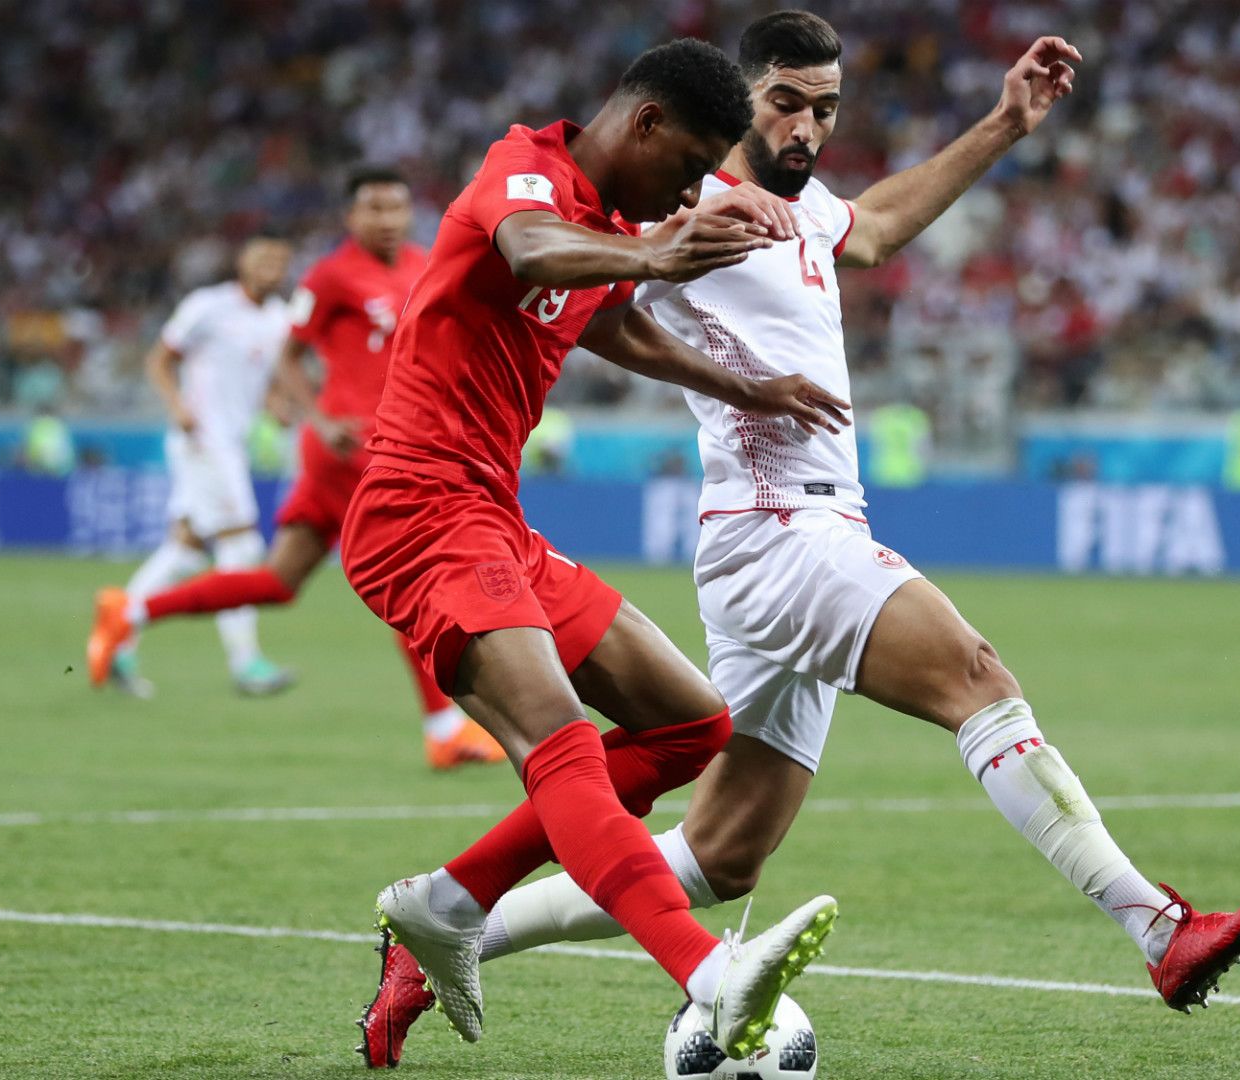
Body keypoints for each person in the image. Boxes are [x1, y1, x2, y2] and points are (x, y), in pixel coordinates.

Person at [363, 13, 1240, 1065]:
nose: (807, 127)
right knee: (976, 677)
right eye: (786, 105)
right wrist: (666, 247)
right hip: (777, 530)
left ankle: (455, 922)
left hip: (781, 529)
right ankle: (1159, 930)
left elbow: (879, 227)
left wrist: (1003, 125)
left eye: (826, 110)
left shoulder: (788, 213)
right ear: (731, 104)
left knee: (723, 851)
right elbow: (561, 252)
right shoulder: (684, 196)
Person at [345, 38, 856, 1068]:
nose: (695, 188)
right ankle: (713, 975)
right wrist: (656, 252)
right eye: (694, 163)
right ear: (646, 123)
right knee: (564, 744)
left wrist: (744, 384)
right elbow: (532, 249)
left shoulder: (614, 226)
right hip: (419, 511)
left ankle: (443, 907)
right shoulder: (527, 170)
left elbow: (606, 326)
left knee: (690, 725)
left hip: (492, 516)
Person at [85, 169, 502, 768]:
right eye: (373, 208)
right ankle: (443, 730)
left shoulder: (422, 262)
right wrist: (316, 417)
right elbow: (287, 353)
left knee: (279, 581)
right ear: (350, 217)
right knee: (416, 583)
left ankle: (132, 610)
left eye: (396, 207)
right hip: (356, 450)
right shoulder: (330, 276)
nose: (386, 219)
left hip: (392, 444)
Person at [86, 237, 295, 697]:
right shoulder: (208, 306)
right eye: (262, 257)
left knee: (185, 551)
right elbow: (159, 359)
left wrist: (276, 404)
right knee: (241, 546)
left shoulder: (279, 319)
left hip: (231, 444)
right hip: (203, 439)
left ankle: (118, 633)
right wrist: (177, 405)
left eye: (280, 260)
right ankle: (246, 664)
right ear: (242, 261)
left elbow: (257, 380)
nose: (271, 267)